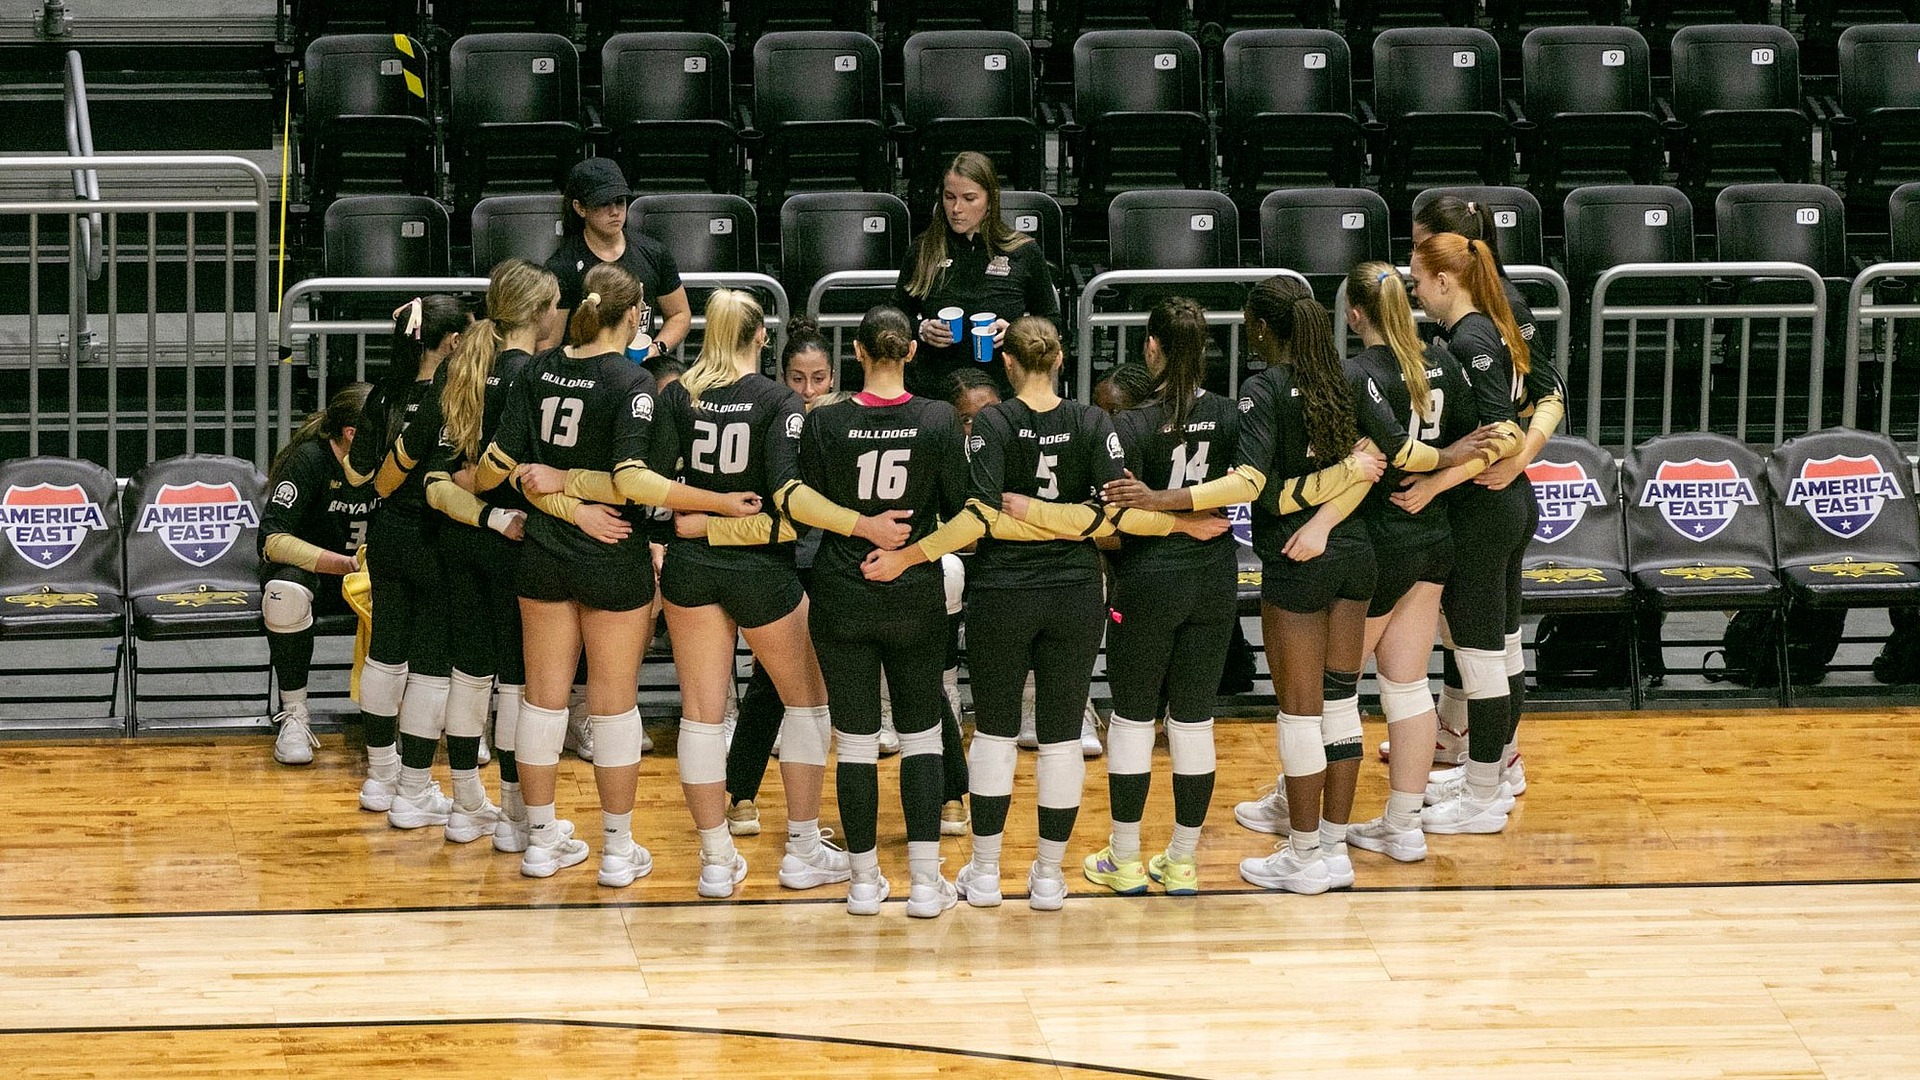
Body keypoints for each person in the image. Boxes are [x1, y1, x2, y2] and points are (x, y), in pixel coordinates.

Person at [547, 289, 901, 897]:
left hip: (689, 569)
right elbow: (792, 513)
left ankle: (715, 860)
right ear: (761, 337)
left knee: (702, 718)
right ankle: (802, 850)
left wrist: (701, 523)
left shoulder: (678, 397)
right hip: (760, 570)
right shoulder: (779, 402)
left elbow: (650, 488)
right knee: (810, 706)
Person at [865, 316, 1227, 911]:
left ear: (1006, 363)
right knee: (1061, 737)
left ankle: (984, 877)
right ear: (1059, 360)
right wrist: (1072, 521)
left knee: (996, 732)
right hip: (1075, 591)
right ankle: (1049, 877)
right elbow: (1107, 517)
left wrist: (915, 554)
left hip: (1003, 591)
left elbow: (980, 518)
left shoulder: (992, 423)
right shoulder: (1090, 422)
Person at [477, 263, 761, 884]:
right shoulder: (633, 383)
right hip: (613, 553)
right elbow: (639, 483)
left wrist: (560, 498)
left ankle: (540, 842)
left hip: (543, 554)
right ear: (635, 316)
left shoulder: (534, 371)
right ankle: (615, 850)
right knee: (613, 709)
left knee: (543, 704)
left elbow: (495, 473)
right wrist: (713, 503)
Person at [1104, 279, 1387, 895]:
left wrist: (1164, 503)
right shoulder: (1343, 376)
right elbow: (1384, 454)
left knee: (1297, 713)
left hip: (1282, 561)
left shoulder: (1253, 395)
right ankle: (1332, 848)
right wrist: (1338, 495)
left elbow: (1252, 484)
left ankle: (1304, 851)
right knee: (1341, 705)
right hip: (1353, 552)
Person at [774, 306, 973, 915]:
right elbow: (969, 520)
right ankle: (923, 885)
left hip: (841, 589)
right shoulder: (939, 417)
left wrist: (861, 527)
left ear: (856, 351)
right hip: (912, 593)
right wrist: (908, 554)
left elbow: (796, 500)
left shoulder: (826, 421)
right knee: (921, 736)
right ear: (911, 351)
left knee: (856, 741)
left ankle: (862, 882)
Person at [1393, 233, 1565, 834]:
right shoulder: (1488, 326)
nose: (1415, 291)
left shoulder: (1471, 339)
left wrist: (1437, 485)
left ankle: (1485, 793)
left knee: (1482, 657)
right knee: (1502, 648)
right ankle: (1491, 771)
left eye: (1418, 280)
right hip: (1506, 504)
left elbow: (1500, 433)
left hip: (1483, 510)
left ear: (1446, 280)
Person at [1080, 298, 1240, 896]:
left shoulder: (1129, 425)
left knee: (1132, 716)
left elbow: (1114, 517)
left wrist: (1163, 511)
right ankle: (1181, 862)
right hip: (1212, 578)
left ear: (1151, 347)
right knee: (1194, 720)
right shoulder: (1229, 414)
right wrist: (1193, 516)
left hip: (1147, 580)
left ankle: (1123, 859)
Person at [1339, 262, 1493, 862]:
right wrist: (1442, 472)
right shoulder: (1444, 362)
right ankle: (1402, 825)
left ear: (1355, 315)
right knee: (1407, 688)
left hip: (1379, 542)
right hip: (1433, 536)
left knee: (1331, 691)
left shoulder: (1356, 373)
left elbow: (1387, 455)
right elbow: (1481, 439)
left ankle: (1311, 821)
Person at [411, 259, 561, 849]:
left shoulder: (468, 365)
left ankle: (464, 806)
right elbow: (514, 464)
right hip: (512, 541)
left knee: (469, 674)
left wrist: (468, 492)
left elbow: (439, 472)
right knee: (518, 685)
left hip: (457, 537)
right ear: (541, 313)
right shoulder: (534, 374)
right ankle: (517, 816)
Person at [344, 295, 467, 828]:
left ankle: (381, 776)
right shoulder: (456, 398)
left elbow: (356, 474)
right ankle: (414, 790)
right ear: (453, 343)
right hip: (436, 537)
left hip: (386, 535)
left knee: (386, 653)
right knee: (431, 667)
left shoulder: (381, 394)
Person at [723, 319, 840, 837]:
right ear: (780, 374)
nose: (808, 391)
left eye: (818, 379)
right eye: (797, 379)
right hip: (784, 560)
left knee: (903, 670)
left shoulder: (845, 422)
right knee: (770, 685)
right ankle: (741, 795)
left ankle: (951, 797)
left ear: (833, 377)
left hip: (839, 564)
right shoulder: (769, 413)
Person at [260, 383, 376, 766]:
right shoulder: (309, 460)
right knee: (283, 591)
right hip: (318, 576)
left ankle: (395, 718)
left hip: (368, 580)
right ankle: (294, 713)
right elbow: (272, 540)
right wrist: (340, 563)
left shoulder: (392, 463)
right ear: (352, 434)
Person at [893, 152, 1058, 399]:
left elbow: (1052, 322)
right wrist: (921, 328)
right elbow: (895, 316)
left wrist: (1017, 333)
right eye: (949, 197)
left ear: (990, 200)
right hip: (935, 389)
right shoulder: (923, 249)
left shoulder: (1022, 250)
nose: (957, 209)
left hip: (1003, 389)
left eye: (969, 198)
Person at [545, 157, 691, 360]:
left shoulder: (654, 253)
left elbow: (679, 315)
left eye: (620, 201)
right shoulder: (563, 265)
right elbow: (548, 344)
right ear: (580, 208)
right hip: (585, 370)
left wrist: (657, 348)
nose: (615, 211)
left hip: (641, 366)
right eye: (603, 203)